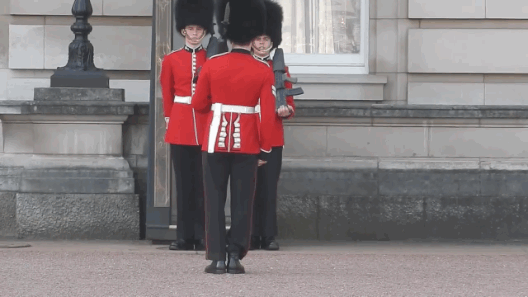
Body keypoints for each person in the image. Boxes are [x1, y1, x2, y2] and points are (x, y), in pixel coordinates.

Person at [191, 0, 275, 274]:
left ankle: (216, 257)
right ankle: (235, 256)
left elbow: (197, 103)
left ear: (228, 37)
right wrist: (265, 149)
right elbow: (266, 113)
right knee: (242, 201)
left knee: (213, 199)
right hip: (248, 143)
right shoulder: (263, 70)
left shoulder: (213, 65)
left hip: (214, 140)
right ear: (252, 39)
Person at [159, 0, 214, 251]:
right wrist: (170, 119)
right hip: (181, 123)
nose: (194, 34)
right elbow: (167, 92)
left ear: (204, 32)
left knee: (205, 183)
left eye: (198, 30)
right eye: (190, 29)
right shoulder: (171, 59)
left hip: (205, 123)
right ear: (183, 31)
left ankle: (203, 235)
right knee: (184, 184)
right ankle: (184, 236)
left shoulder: (212, 58)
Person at [250, 0, 295, 251]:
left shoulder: (280, 68)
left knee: (268, 190)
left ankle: (267, 235)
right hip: (246, 134)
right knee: (248, 189)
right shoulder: (244, 65)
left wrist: (286, 109)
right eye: (258, 39)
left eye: (266, 39)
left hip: (272, 136)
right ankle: (250, 234)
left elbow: (288, 100)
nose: (262, 43)